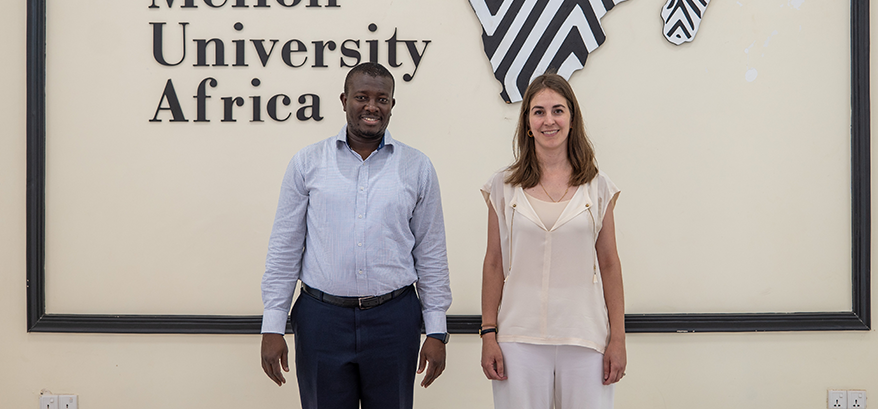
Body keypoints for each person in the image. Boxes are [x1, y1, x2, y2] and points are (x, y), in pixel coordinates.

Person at [260, 62, 452, 409]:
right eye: (362, 97)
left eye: (382, 99)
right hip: (322, 320)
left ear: (392, 105)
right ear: (344, 99)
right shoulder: (307, 163)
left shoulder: (417, 167)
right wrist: (273, 324)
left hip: (394, 320)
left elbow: (431, 251)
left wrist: (436, 329)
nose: (372, 107)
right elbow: (284, 248)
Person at [479, 72, 626, 409]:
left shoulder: (598, 186)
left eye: (558, 110)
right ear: (527, 123)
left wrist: (617, 338)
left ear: (572, 119)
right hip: (518, 337)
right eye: (539, 112)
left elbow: (609, 263)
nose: (549, 120)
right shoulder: (502, 186)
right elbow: (493, 262)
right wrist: (489, 334)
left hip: (585, 337)